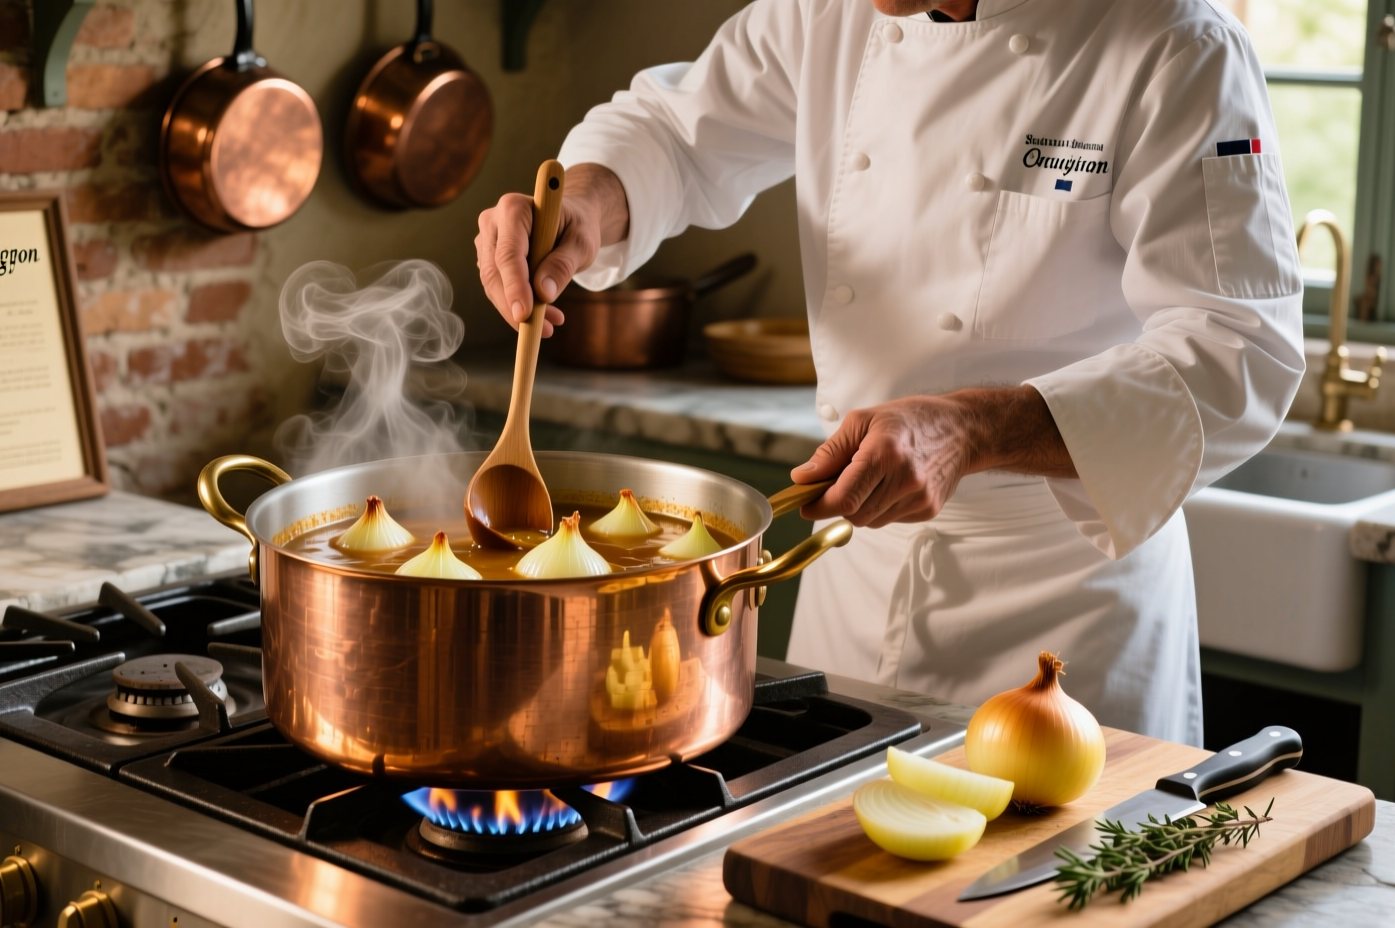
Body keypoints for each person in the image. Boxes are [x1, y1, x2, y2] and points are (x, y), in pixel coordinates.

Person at [472, 0, 1305, 745]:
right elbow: (674, 134)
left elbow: (1239, 352)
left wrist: (972, 431)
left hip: (1064, 607)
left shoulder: (1176, 43)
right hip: (857, 580)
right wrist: (585, 203)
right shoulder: (826, 14)